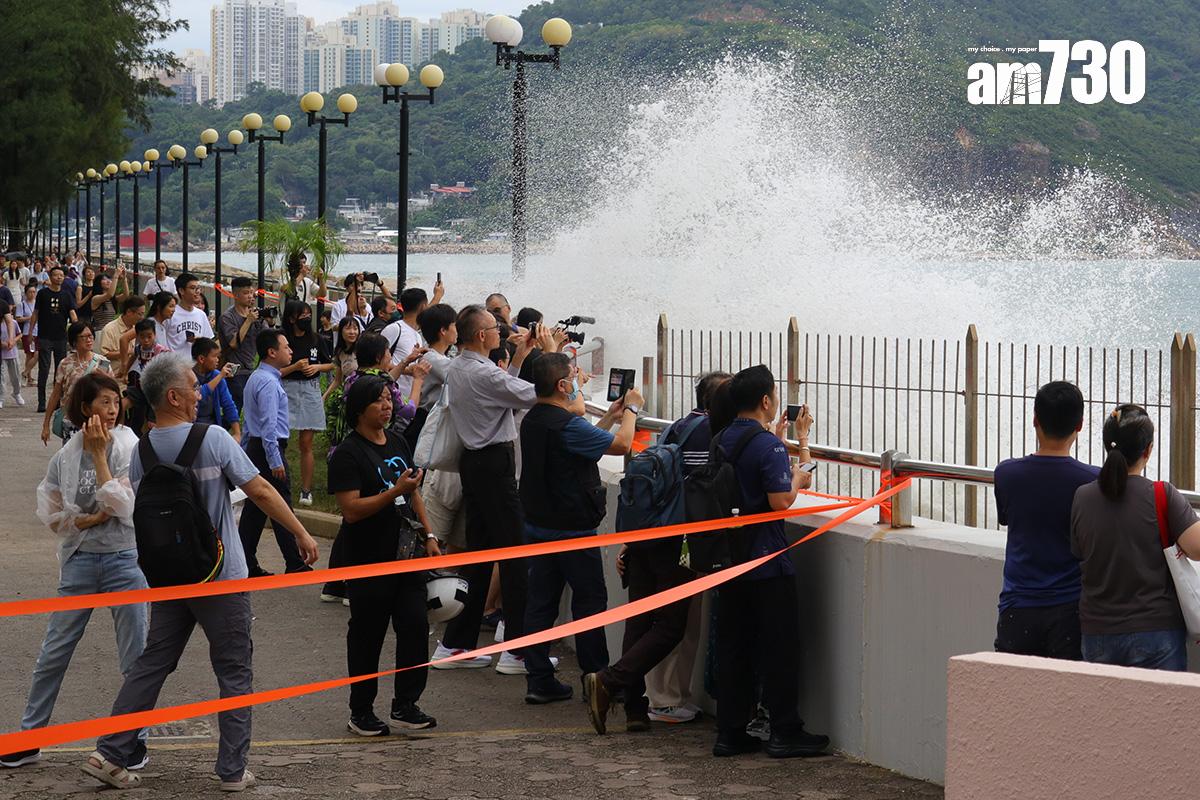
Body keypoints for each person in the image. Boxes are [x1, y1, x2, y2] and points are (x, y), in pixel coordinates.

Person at [79, 353, 319, 791]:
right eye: (193, 386)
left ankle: (111, 750)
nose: (198, 393)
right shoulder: (213, 438)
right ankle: (231, 770)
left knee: (153, 663)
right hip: (220, 575)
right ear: (173, 396)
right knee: (234, 670)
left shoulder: (144, 450)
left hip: (170, 578)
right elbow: (260, 490)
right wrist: (301, 532)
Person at [0, 374, 145, 770]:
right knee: (53, 653)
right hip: (79, 562)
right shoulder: (65, 454)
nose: (112, 410)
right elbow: (50, 512)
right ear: (85, 408)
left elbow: (125, 508)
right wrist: (86, 519)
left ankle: (134, 741)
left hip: (124, 560)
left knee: (135, 657)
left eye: (116, 402)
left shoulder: (130, 446)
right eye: (104, 402)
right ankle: (31, 737)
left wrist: (101, 459)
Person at [706, 365, 828, 759]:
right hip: (766, 562)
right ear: (766, 401)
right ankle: (784, 731)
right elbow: (780, 502)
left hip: (728, 559)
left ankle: (730, 732)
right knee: (779, 648)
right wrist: (798, 478)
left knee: (734, 648)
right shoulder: (768, 446)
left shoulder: (721, 437)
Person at [605, 371, 732, 728]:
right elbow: (703, 494)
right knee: (679, 625)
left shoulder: (677, 426)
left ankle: (634, 702)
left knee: (641, 617)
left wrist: (631, 541)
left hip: (649, 532)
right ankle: (651, 694)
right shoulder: (714, 434)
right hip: (680, 541)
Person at [432, 306, 555, 672]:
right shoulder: (483, 374)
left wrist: (519, 356)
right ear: (482, 336)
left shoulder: (458, 365)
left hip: (475, 465)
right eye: (494, 327)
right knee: (516, 557)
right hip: (495, 466)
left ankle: (455, 644)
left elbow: (504, 390)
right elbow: (539, 394)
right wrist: (549, 353)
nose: (501, 331)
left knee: (480, 555)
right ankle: (518, 651)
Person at [520, 354, 640, 704]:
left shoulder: (536, 419)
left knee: (541, 604)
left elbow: (579, 447)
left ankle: (538, 679)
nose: (578, 381)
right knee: (589, 604)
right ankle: (596, 678)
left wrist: (609, 417)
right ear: (562, 386)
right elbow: (621, 446)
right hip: (573, 532)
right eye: (574, 376)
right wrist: (631, 411)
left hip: (539, 528)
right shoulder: (565, 424)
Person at [330, 375, 440, 736]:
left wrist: (430, 534)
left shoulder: (397, 440)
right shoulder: (347, 453)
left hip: (406, 555)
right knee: (367, 634)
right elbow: (351, 510)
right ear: (360, 409)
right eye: (379, 400)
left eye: (389, 399)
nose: (388, 405)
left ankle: (405, 704)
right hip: (367, 557)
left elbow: (415, 494)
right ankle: (360, 710)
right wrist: (394, 490)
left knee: (414, 626)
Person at [1070, 404, 1200, 671]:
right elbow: (1197, 548)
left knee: (1105, 713)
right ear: (1148, 450)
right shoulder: (1162, 495)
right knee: (1162, 712)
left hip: (1098, 633)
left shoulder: (1082, 497)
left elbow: (1079, 551)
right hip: (1157, 631)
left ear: (1107, 446)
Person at [992, 381, 1097, 660]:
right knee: (1067, 699)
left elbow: (1006, 518)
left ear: (1035, 419)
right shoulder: (1092, 481)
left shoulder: (1006, 474)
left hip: (1018, 606)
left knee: (1014, 698)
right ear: (1080, 425)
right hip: (1070, 610)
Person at [238, 329, 312, 577]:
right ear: (272, 352)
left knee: (256, 508)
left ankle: (245, 562)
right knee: (280, 504)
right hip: (269, 449)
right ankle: (294, 562)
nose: (291, 350)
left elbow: (250, 421)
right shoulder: (268, 382)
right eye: (286, 346)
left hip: (257, 448)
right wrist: (274, 459)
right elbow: (268, 425)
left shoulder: (257, 378)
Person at [415, 303, 464, 549]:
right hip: (426, 424)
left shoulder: (441, 357)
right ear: (444, 331)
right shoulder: (432, 358)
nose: (458, 330)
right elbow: (461, 375)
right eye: (456, 325)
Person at [279, 300, 333, 506]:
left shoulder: (316, 339)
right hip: (287, 389)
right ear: (291, 318)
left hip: (310, 390)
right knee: (279, 440)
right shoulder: (282, 339)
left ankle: (306, 490)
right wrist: (294, 367)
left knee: (306, 443)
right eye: (302, 315)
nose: (307, 319)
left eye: (309, 315)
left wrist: (317, 367)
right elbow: (274, 370)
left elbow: (330, 364)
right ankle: (278, 482)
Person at [41, 322, 111, 445]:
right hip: (71, 421)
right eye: (84, 337)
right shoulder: (65, 364)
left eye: (91, 336)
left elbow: (112, 392)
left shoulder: (102, 363)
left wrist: (105, 378)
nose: (89, 340)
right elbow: (56, 395)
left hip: (94, 421)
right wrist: (46, 424)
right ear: (74, 341)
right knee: (71, 460)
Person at [30, 264, 78, 412]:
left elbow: (72, 314)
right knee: (44, 369)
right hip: (45, 336)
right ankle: (42, 402)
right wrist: (31, 332)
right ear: (50, 277)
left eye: (61, 276)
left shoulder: (67, 295)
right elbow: (36, 313)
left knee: (61, 370)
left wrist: (78, 329)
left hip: (61, 338)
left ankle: (59, 402)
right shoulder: (43, 294)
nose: (59, 278)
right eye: (56, 275)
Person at [217, 276, 266, 409]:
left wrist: (269, 321)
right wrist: (248, 321)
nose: (250, 296)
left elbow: (267, 338)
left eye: (251, 292)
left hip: (251, 370)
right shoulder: (228, 317)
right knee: (234, 408)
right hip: (234, 371)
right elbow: (233, 343)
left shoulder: (255, 315)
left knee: (254, 408)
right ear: (235, 295)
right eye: (246, 293)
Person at [192, 337, 241, 440]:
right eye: (214, 356)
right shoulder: (188, 376)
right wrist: (220, 376)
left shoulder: (216, 375)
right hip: (192, 430)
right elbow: (199, 395)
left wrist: (237, 433)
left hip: (212, 428)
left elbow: (228, 404)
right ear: (201, 359)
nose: (217, 360)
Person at [161, 273, 213, 353]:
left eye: (198, 288)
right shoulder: (171, 314)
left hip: (195, 364)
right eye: (193, 288)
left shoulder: (201, 315)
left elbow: (208, 342)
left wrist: (199, 341)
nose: (197, 291)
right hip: (174, 363)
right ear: (181, 291)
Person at [99, 295, 146, 365]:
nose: (142, 317)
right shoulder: (109, 329)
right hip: (116, 373)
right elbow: (105, 355)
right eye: (140, 314)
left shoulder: (139, 328)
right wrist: (127, 352)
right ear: (129, 312)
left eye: (143, 314)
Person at [323, 316, 361, 402]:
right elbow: (337, 381)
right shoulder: (340, 352)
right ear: (341, 331)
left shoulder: (362, 349)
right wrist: (325, 397)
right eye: (348, 329)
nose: (352, 332)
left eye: (355, 329)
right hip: (349, 397)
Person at [0, 300, 22, 407]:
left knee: (16, 376)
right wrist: (3, 344)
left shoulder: (13, 322)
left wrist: (12, 341)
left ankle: (17, 393)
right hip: (2, 353)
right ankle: (1, 398)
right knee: (2, 377)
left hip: (12, 352)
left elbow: (19, 334)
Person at [16, 281, 38, 386]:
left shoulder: (38, 303)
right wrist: (30, 318)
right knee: (29, 354)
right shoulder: (22, 304)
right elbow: (18, 318)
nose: (32, 294)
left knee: (38, 354)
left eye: (34, 292)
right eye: (30, 292)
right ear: (26, 293)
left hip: (39, 331)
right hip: (27, 332)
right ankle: (29, 377)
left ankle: (25, 373)